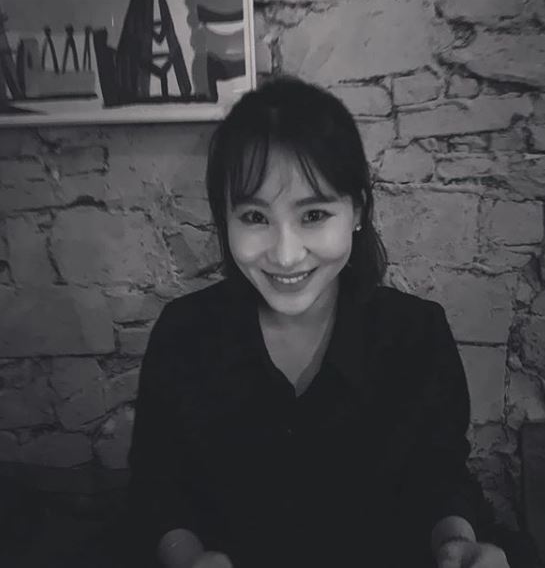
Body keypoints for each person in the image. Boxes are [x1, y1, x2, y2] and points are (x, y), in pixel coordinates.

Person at [127, 77, 512, 568]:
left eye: (313, 215)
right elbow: (159, 490)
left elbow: (440, 479)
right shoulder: (184, 335)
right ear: (225, 219)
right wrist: (188, 557)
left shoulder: (416, 334)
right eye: (255, 217)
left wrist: (456, 543)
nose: (286, 255)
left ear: (356, 211)